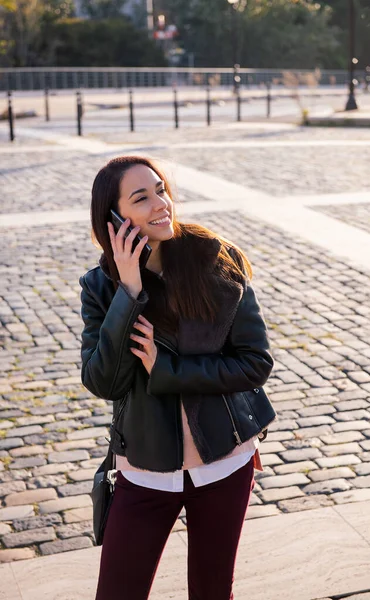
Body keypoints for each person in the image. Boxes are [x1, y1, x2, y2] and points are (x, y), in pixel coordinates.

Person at [79, 155, 276, 600]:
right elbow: (103, 381)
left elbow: (254, 362)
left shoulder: (214, 260)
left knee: (211, 592)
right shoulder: (101, 287)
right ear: (113, 218)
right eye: (141, 198)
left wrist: (167, 371)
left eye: (161, 190)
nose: (160, 204)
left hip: (225, 462)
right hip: (144, 472)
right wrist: (129, 292)